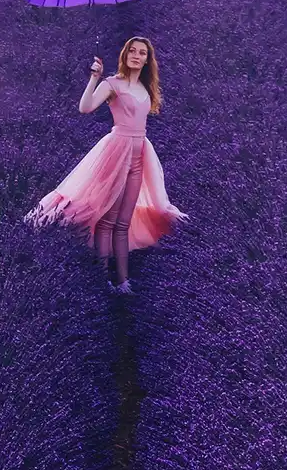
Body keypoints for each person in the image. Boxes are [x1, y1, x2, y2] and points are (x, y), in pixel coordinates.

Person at [24, 35, 187, 294]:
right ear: (124, 55)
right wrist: (94, 78)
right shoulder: (113, 84)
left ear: (148, 59)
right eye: (132, 51)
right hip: (118, 152)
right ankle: (102, 280)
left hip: (140, 154)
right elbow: (85, 107)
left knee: (122, 222)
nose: (136, 55)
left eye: (142, 53)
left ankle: (122, 282)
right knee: (108, 221)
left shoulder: (146, 87)